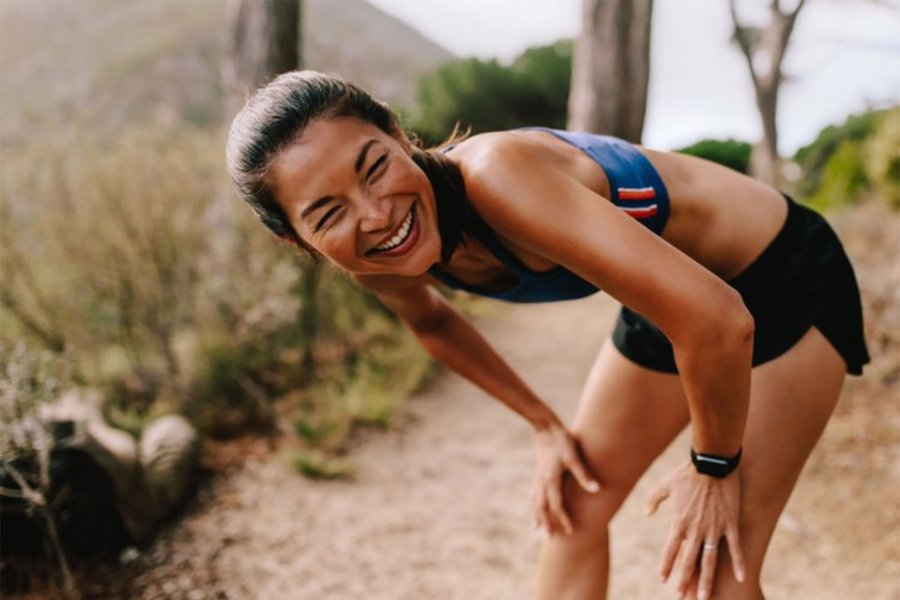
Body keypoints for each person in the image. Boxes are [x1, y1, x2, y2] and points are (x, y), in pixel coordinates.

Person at [225, 70, 869, 600]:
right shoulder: (378, 262)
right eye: (328, 212)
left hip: (781, 276)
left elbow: (719, 320)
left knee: (715, 572)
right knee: (573, 513)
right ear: (294, 238)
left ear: (399, 133)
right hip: (675, 306)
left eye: (374, 168)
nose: (376, 215)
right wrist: (542, 423)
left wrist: (714, 466)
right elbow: (432, 321)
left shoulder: (498, 176)